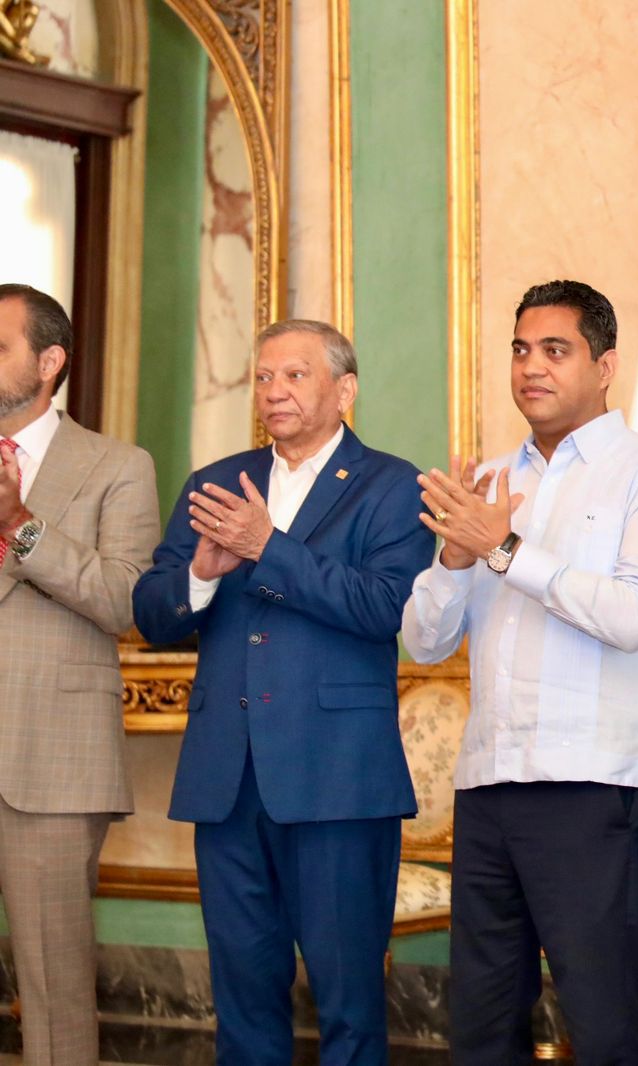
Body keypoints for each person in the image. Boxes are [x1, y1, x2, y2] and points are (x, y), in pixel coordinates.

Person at [401, 280, 638, 1064]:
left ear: (605, 365)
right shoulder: (491, 482)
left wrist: (506, 552)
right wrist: (454, 556)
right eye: (521, 350)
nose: (532, 367)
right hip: (491, 782)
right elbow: (425, 642)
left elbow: (634, 615)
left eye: (555, 350)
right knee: (481, 1022)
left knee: (599, 1022)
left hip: (593, 786)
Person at [132, 319, 434, 1065]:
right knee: (242, 994)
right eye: (264, 378)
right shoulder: (214, 481)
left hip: (337, 780)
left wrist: (271, 548)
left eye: (295, 376)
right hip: (227, 781)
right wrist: (201, 574)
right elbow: (150, 614)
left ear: (345, 388)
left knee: (348, 1002)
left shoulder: (394, 486)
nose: (274, 392)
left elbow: (382, 608)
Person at [0, 283, 160, 1065]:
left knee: (55, 994)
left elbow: (125, 601)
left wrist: (19, 528)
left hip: (49, 764)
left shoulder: (117, 466)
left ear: (49, 361)